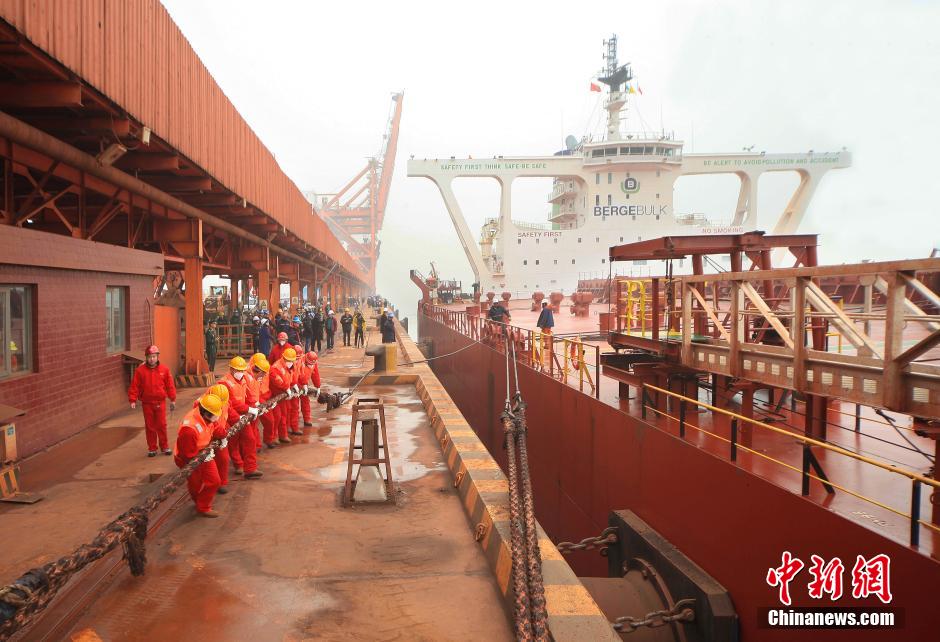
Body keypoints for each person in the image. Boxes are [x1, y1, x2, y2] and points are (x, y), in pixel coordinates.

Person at [174, 393, 223, 517]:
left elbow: (216, 428)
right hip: (188, 458)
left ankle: (203, 506)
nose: (216, 418)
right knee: (195, 484)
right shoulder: (189, 429)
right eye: (214, 416)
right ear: (205, 413)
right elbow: (188, 454)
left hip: (204, 452)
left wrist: (223, 436)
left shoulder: (208, 417)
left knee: (214, 481)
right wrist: (202, 457)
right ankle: (198, 502)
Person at [128, 345, 177, 457]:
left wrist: (172, 398)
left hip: (160, 402)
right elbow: (134, 386)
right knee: (150, 426)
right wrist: (132, 400)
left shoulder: (164, 370)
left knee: (162, 425)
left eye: (154, 356)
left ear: (157, 357)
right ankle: (152, 448)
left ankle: (164, 447)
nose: (152, 359)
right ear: (146, 357)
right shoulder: (140, 371)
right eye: (150, 357)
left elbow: (170, 386)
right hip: (147, 403)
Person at [220, 356, 262, 479]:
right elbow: (231, 402)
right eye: (238, 370)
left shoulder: (243, 380)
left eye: (242, 370)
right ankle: (238, 465)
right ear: (231, 370)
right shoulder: (224, 383)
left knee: (250, 439)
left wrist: (254, 405)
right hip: (230, 416)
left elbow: (248, 396)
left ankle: (250, 469)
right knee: (233, 442)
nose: (240, 373)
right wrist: (248, 409)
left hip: (242, 415)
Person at [264, 347, 295, 447]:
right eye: (288, 360)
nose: (290, 362)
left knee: (284, 414)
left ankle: (283, 435)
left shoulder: (289, 366)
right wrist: (287, 388)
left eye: (291, 361)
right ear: (284, 358)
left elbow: (290, 378)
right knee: (276, 417)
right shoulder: (276, 368)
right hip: (275, 395)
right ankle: (273, 437)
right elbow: (278, 381)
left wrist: (292, 385)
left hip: (282, 395)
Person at [246, 353, 269, 457]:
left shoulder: (255, 376)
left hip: (254, 403)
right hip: (247, 407)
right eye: (263, 374)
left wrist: (257, 402)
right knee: (247, 436)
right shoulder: (248, 376)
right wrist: (250, 406)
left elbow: (255, 390)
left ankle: (257, 445)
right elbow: (246, 393)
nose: (263, 376)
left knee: (254, 428)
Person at [297, 351, 321, 427]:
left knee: (306, 401)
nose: (311, 365)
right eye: (309, 364)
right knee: (294, 405)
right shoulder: (300, 361)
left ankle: (307, 419)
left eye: (312, 364)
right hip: (295, 384)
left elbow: (315, 374)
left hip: (304, 385)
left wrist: (318, 386)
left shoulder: (314, 363)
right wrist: (302, 384)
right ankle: (292, 423)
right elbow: (299, 374)